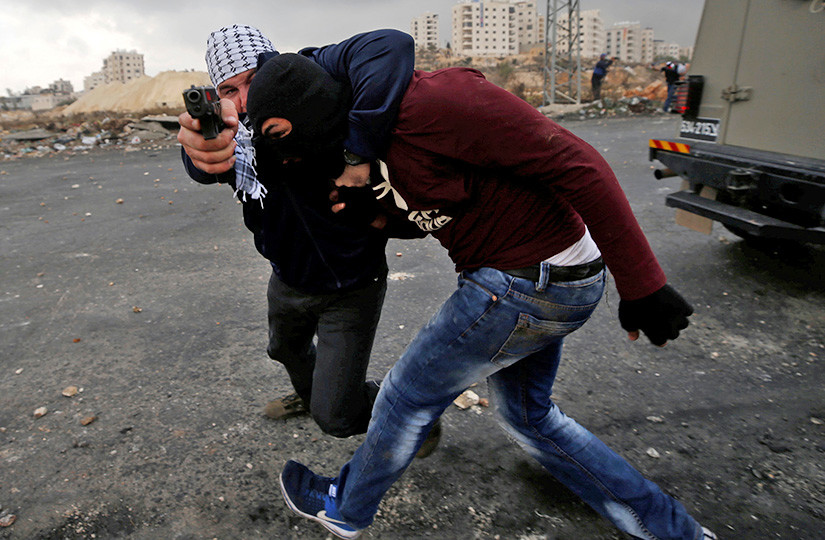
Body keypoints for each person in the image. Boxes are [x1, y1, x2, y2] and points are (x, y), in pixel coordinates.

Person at [246, 54, 718, 540]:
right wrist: (379, 217)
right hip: (536, 282)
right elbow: (441, 210)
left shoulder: (437, 102)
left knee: (405, 396)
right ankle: (674, 531)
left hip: (528, 282)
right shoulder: (358, 149)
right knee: (529, 418)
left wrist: (642, 284)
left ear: (309, 109)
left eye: (282, 134)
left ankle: (345, 507)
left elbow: (579, 163)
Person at [177, 26, 421, 439]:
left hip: (350, 284)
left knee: (337, 419)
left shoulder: (311, 83)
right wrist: (197, 154)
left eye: (254, 80)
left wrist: (357, 152)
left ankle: (406, 412)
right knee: (284, 350)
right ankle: (315, 395)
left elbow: (392, 45)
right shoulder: (237, 136)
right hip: (287, 278)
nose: (248, 99)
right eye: (229, 90)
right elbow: (204, 160)